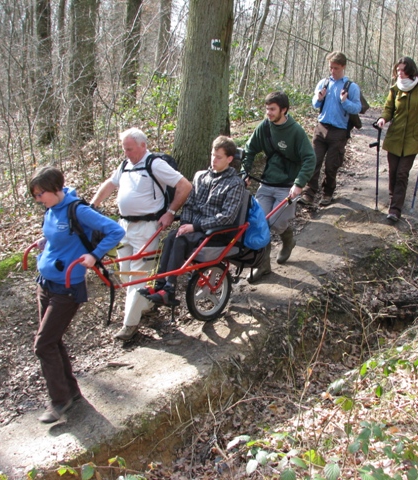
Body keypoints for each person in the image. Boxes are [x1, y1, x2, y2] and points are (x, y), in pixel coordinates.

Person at [30, 166, 125, 423]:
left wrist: (94, 256)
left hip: (67, 287)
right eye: (36, 195)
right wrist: (45, 242)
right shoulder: (51, 210)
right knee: (52, 340)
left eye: (41, 194)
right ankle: (71, 393)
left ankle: (59, 402)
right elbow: (57, 236)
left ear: (56, 189)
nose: (38, 199)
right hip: (46, 283)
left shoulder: (78, 210)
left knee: (43, 344)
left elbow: (116, 231)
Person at [90, 128, 192, 341]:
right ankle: (145, 305)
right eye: (124, 149)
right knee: (125, 275)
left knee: (138, 276)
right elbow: (110, 183)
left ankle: (130, 325)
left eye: (129, 149)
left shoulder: (155, 164)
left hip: (147, 227)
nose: (126, 153)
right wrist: (92, 205)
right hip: (123, 227)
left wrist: (170, 212)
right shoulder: (125, 165)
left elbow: (184, 185)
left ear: (142, 145)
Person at [139, 136, 245, 305]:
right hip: (195, 228)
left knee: (180, 239)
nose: (214, 160)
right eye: (212, 155)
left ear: (229, 159)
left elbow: (227, 216)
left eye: (219, 157)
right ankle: (160, 284)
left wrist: (195, 227)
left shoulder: (235, 183)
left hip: (216, 231)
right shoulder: (200, 176)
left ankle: (169, 288)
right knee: (172, 237)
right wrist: (185, 225)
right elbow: (189, 205)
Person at [241, 91, 316, 283]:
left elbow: (309, 158)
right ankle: (263, 266)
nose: (269, 112)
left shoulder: (296, 131)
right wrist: (245, 172)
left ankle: (288, 239)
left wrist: (299, 184)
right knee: (258, 223)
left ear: (284, 109)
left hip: (288, 187)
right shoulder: (264, 127)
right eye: (267, 108)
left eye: (272, 109)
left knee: (275, 223)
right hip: (267, 184)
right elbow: (249, 150)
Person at [375, 56, 418, 222]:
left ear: (411, 70)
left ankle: (395, 209)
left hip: (413, 138)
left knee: (402, 174)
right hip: (395, 136)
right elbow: (388, 109)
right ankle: (392, 200)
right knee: (393, 173)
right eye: (398, 70)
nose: (400, 73)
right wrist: (383, 119)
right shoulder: (395, 89)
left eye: (403, 70)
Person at [299, 51, 362, 207]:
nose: (333, 71)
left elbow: (357, 108)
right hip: (321, 128)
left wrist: (344, 102)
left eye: (336, 68)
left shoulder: (351, 87)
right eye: (331, 68)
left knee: (331, 165)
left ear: (343, 67)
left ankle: (327, 194)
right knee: (314, 161)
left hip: (339, 131)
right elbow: (315, 104)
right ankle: (309, 193)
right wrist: (319, 98)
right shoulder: (324, 83)